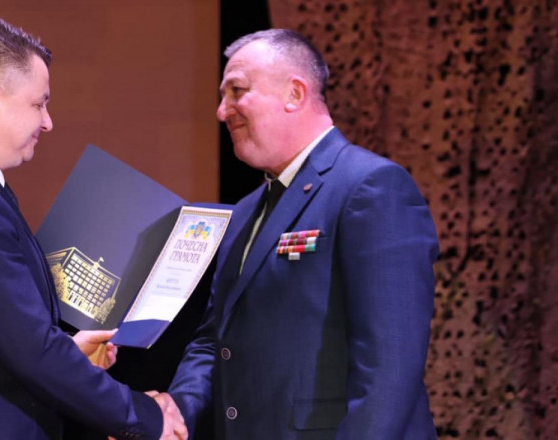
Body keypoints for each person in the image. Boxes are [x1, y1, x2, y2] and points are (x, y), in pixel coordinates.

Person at [0, 15, 186, 440]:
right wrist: (147, 419)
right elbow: (31, 348)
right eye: (39, 104)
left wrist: (68, 353)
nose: (48, 122)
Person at [167, 29, 440, 439]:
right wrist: (176, 414)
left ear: (294, 94)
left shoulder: (371, 187)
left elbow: (390, 366)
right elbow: (214, 341)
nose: (222, 112)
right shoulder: (243, 212)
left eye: (237, 91)